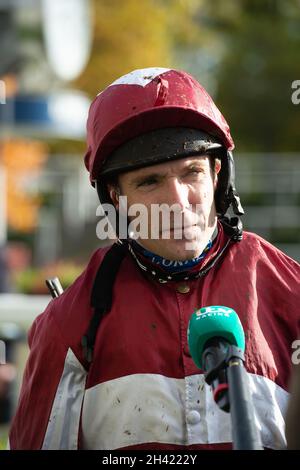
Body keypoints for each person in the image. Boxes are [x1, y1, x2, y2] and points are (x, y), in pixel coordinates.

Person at [9, 67, 300, 450]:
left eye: (191, 172)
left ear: (217, 175)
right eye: (149, 181)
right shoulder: (69, 324)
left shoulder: (290, 291)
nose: (178, 203)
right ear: (116, 196)